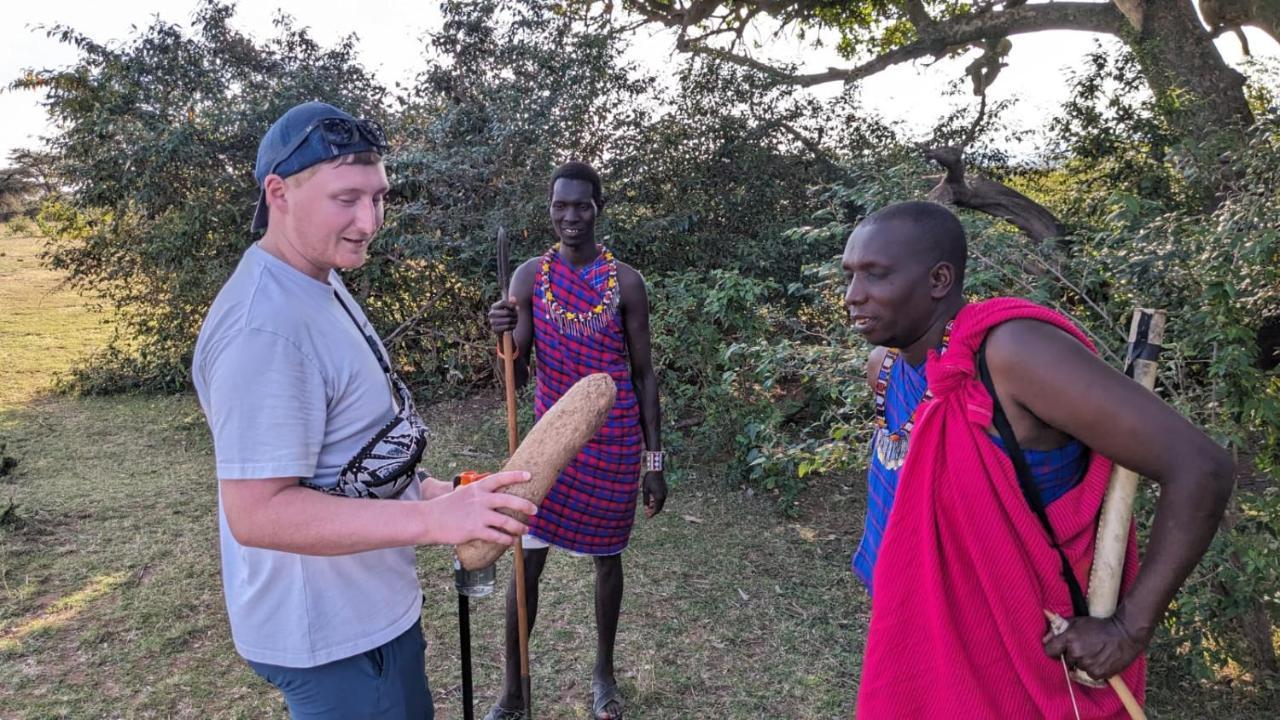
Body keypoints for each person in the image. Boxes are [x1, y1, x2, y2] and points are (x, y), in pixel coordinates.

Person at [192, 100, 537, 720]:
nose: (369, 219)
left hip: (367, 613)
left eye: (378, 197)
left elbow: (345, 454)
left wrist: (436, 495)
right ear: (279, 192)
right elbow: (259, 513)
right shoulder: (264, 331)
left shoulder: (318, 279)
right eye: (346, 198)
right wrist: (435, 525)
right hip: (332, 640)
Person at [843, 201, 1234, 718]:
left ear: (939, 279)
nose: (853, 296)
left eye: (876, 274)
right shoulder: (886, 370)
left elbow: (1200, 466)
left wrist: (1128, 627)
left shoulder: (1012, 354)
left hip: (1022, 653)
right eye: (849, 276)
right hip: (915, 633)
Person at [485, 161, 666, 720]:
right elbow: (514, 369)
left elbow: (643, 375)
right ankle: (514, 691)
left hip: (612, 442)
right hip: (547, 440)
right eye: (560, 206)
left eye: (581, 206)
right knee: (526, 562)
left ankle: (603, 676)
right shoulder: (528, 278)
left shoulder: (626, 282)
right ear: (550, 209)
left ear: (598, 209)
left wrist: (653, 460)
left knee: (607, 561)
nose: (570, 216)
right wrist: (500, 335)